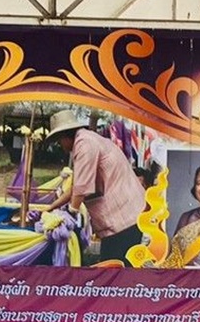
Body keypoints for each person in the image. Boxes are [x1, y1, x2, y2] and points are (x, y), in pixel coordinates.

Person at [46, 109, 147, 263]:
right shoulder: (87, 139)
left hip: (124, 218)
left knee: (115, 267)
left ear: (65, 136)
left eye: (59, 141)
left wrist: (70, 212)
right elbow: (75, 187)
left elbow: (81, 188)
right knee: (111, 264)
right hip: (124, 217)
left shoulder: (84, 144)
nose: (60, 145)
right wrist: (52, 207)